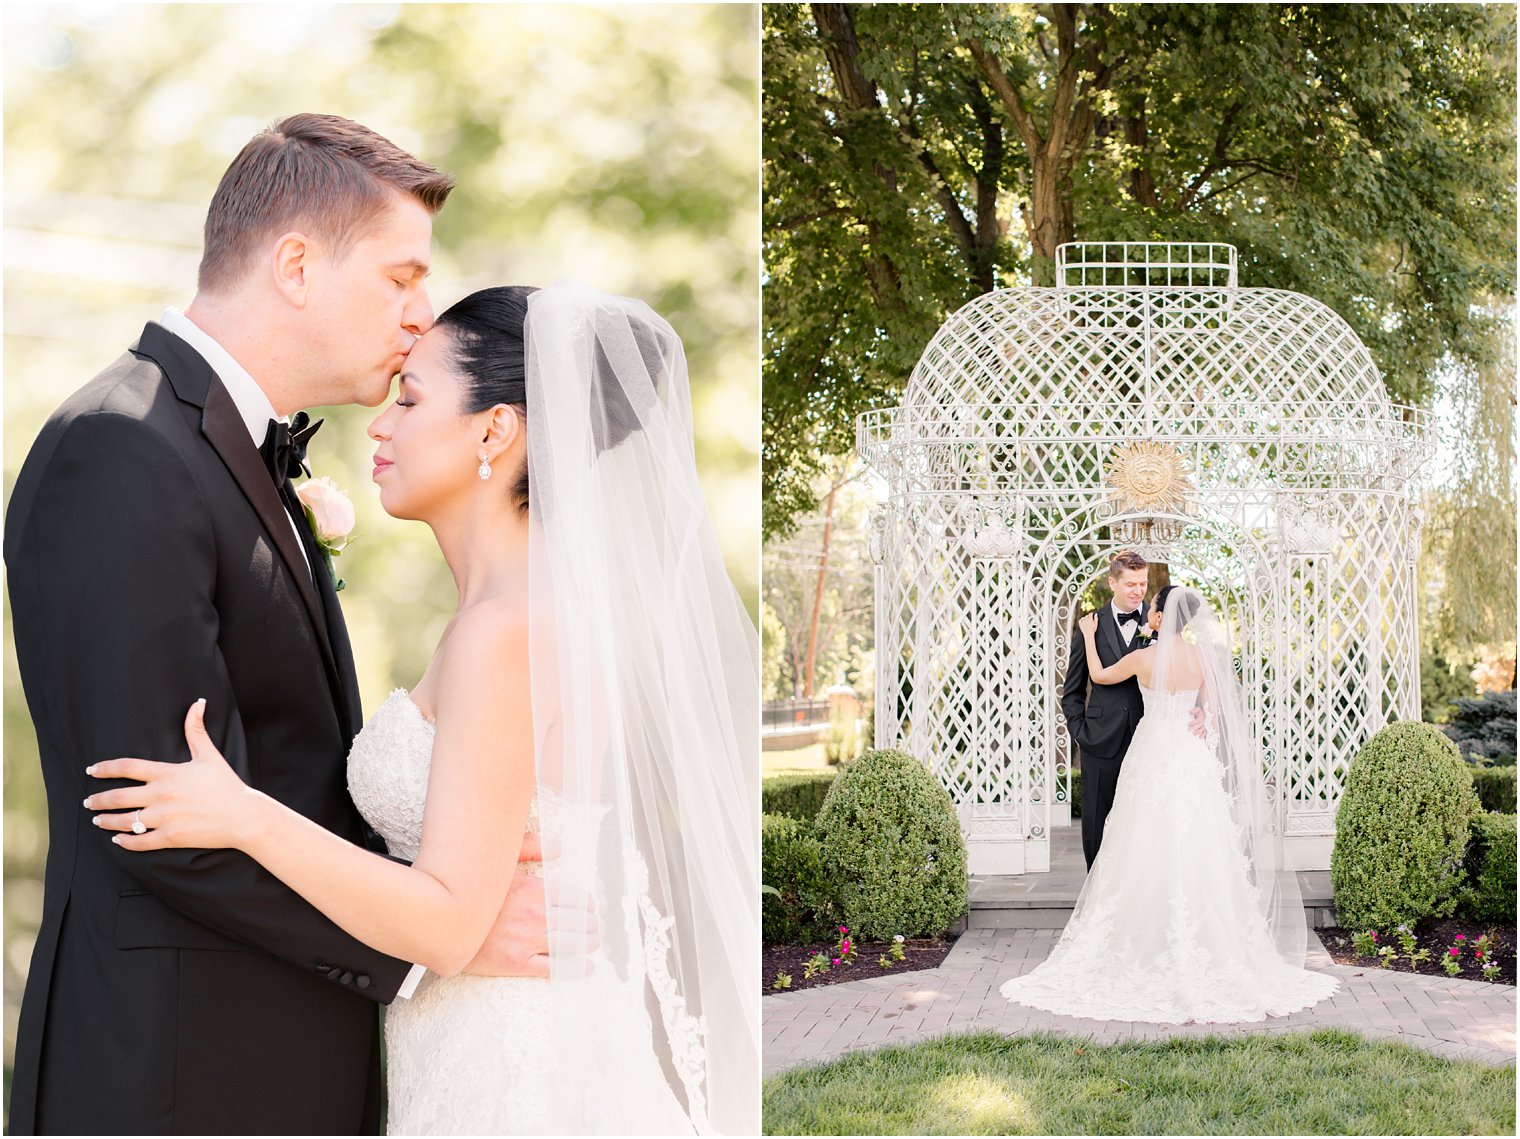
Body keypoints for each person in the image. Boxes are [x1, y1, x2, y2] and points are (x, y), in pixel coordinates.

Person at [84, 284, 761, 1133]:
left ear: (494, 430)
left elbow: (445, 923)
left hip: (511, 1071)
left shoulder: (503, 628)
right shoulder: (520, 608)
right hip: (477, 1039)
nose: (378, 423)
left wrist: (242, 814)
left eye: (409, 398)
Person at [4, 114, 552, 1135]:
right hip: (178, 1077)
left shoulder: (230, 456)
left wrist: (438, 906)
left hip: (283, 1066)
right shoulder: (119, 447)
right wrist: (439, 937)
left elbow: (281, 783)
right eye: (399, 279)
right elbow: (156, 812)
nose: (418, 313)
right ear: (297, 264)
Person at [1001, 585, 1339, 1023]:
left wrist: (1087, 633)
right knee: (1200, 842)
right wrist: (1201, 718)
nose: (1148, 614)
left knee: (1142, 841)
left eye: (1153, 608)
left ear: (1160, 617)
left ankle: (1146, 937)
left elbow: (1100, 676)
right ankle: (1210, 944)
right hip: (1190, 755)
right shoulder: (1202, 659)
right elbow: (1212, 710)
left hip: (1154, 752)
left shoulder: (1145, 657)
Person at [1062, 550, 1152, 869]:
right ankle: (1096, 895)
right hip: (1099, 740)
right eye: (1130, 584)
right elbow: (1072, 690)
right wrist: (1080, 732)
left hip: (1148, 740)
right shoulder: (1090, 626)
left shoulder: (1158, 624)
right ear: (1112, 582)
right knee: (1097, 821)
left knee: (1144, 821)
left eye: (1142, 583)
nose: (1138, 590)